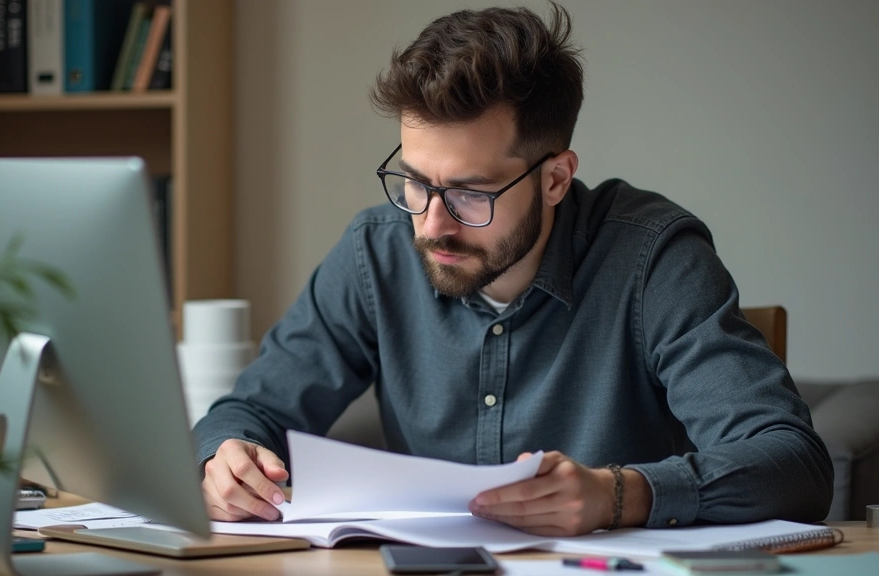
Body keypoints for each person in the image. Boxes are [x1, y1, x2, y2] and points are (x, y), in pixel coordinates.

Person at [194, 4, 833, 536]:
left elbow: (794, 463)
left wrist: (620, 495)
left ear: (555, 178)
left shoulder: (653, 258)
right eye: (415, 183)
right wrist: (225, 459)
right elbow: (248, 409)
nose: (430, 224)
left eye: (472, 193)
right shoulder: (376, 253)